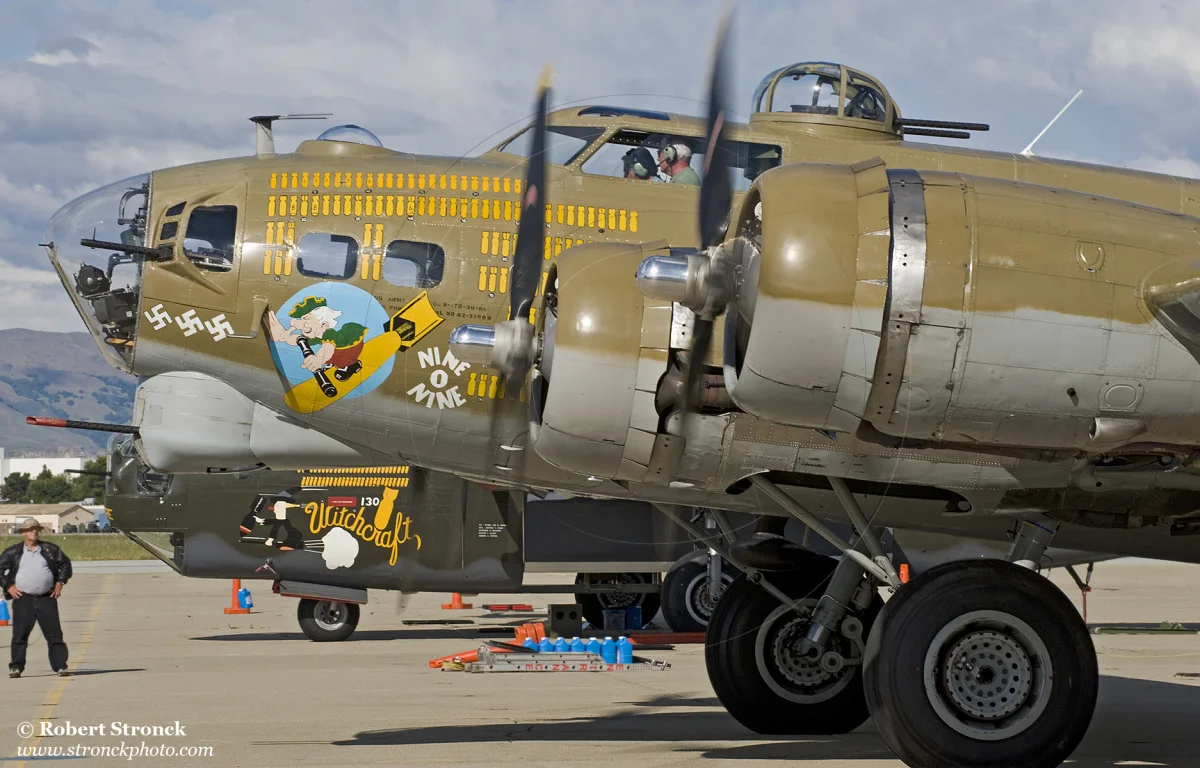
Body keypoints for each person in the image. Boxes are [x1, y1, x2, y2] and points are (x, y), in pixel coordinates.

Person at [0, 519, 72, 678]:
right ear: (24, 533)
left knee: (54, 634)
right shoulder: (13, 552)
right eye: (31, 529)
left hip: (46, 598)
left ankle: (60, 666)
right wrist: (8, 586)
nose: (34, 532)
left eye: (36, 529)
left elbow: (65, 564)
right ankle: (16, 666)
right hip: (23, 599)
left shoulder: (50, 549)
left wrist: (60, 582)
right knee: (20, 635)